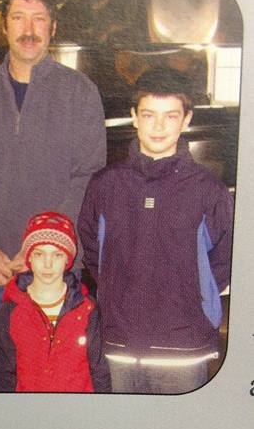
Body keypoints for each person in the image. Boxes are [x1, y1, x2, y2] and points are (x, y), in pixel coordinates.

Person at [0, 0, 106, 343]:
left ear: (53, 27)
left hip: (58, 263)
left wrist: (42, 245)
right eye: (19, 18)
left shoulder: (80, 92)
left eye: (39, 19)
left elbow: (88, 175)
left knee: (58, 366)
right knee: (2, 365)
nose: (29, 30)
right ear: (4, 27)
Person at [77, 67, 233, 395]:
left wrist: (194, 295)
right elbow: (92, 249)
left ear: (186, 120)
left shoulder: (208, 191)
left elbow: (226, 257)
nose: (159, 127)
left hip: (183, 349)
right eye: (149, 115)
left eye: (170, 116)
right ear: (134, 117)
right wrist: (117, 290)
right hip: (120, 344)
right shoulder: (105, 185)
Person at [0, 211, 110, 392]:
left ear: (68, 259)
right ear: (29, 258)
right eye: (39, 254)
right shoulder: (11, 311)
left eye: (57, 255)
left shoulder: (87, 310)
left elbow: (100, 371)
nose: (48, 264)